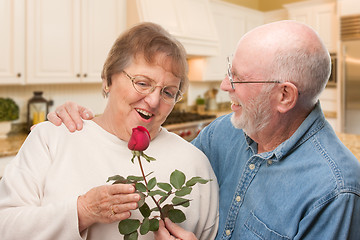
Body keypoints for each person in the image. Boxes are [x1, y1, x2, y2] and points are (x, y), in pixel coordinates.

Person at [47, 20, 360, 239]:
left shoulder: (335, 191)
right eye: (228, 70)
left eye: (239, 79)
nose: (225, 86)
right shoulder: (226, 131)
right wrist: (92, 125)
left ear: (284, 96)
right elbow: (169, 161)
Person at [0, 22, 219, 240]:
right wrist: (82, 211)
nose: (153, 101)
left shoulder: (195, 164)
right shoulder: (52, 138)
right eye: (142, 83)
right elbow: (5, 226)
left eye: (168, 92)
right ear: (108, 79)